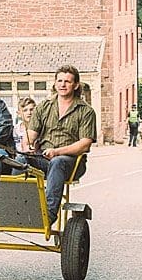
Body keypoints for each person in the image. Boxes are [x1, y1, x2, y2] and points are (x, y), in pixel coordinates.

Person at [24, 66, 96, 225]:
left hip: (71, 163)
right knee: (19, 159)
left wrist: (57, 152)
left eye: (67, 82)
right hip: (43, 158)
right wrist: (28, 145)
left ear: (76, 85)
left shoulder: (86, 111)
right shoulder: (44, 106)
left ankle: (48, 215)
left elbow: (85, 144)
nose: (63, 85)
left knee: (57, 162)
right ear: (55, 83)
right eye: (60, 81)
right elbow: (30, 134)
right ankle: (14, 207)